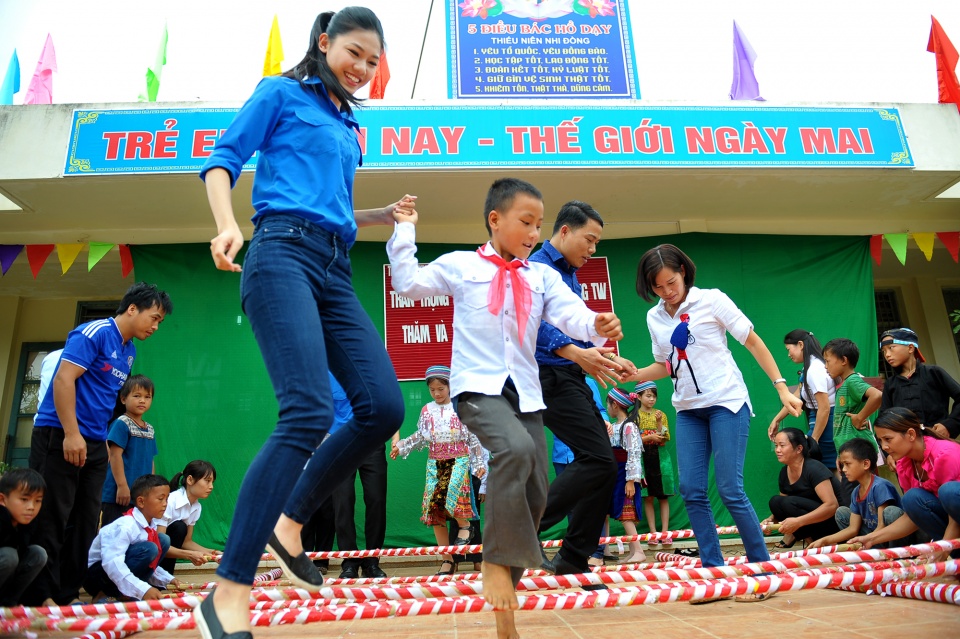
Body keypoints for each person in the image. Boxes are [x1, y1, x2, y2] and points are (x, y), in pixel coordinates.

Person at [195, 9, 409, 639]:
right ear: (325, 43)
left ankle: (290, 523)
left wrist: (382, 213)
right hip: (280, 250)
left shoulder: (350, 124)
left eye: (373, 61)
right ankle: (227, 593)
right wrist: (228, 222)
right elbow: (222, 157)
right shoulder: (281, 92)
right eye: (355, 53)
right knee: (309, 411)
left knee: (383, 407)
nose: (364, 69)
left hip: (334, 265)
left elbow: (332, 204)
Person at [388, 177, 623, 638]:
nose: (535, 233)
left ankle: (505, 621)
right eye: (526, 222)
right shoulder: (461, 266)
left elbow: (570, 315)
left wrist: (596, 323)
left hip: (526, 393)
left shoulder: (541, 276)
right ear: (495, 220)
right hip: (478, 390)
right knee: (514, 451)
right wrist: (405, 230)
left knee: (536, 495)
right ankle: (493, 562)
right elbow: (408, 283)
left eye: (539, 224)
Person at [626, 243, 802, 574]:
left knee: (729, 487)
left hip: (726, 401)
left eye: (672, 283)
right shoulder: (654, 316)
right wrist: (633, 374)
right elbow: (666, 365)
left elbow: (752, 340)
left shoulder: (712, 299)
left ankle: (762, 568)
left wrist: (780, 387)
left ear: (683, 272)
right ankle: (713, 571)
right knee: (692, 489)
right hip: (688, 409)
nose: (668, 292)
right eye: (658, 287)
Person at [25, 281, 172, 606]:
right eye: (154, 317)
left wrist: (93, 440)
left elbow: (106, 399)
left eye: (160, 321)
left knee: (87, 518)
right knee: (53, 515)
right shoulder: (93, 333)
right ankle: (42, 595)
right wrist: (72, 433)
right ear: (132, 308)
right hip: (60, 433)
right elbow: (65, 380)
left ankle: (67, 595)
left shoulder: (129, 351)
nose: (156, 325)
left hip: (94, 441)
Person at [527, 200, 628, 581]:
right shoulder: (537, 267)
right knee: (599, 459)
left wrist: (608, 358)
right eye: (590, 239)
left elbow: (576, 326)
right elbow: (533, 324)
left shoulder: (572, 275)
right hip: (544, 375)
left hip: (568, 376)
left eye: (597, 242)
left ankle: (573, 558)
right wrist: (576, 352)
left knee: (603, 464)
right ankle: (526, 528)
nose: (593, 249)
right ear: (565, 231)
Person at [391, 365, 487, 576]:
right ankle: (447, 560)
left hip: (458, 459)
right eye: (432, 390)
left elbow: (473, 438)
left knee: (446, 496)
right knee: (434, 509)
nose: (436, 393)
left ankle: (465, 526)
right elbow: (421, 436)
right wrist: (402, 445)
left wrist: (480, 464)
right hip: (435, 462)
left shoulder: (462, 407)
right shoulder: (427, 410)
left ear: (450, 386)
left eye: (441, 389)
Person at [851, 408, 960, 553]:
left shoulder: (945, 454)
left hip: (955, 516)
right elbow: (911, 517)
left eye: (888, 439)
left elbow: (955, 513)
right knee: (911, 499)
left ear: (911, 434)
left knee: (948, 492)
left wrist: (941, 552)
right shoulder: (904, 464)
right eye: (880, 441)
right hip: (951, 527)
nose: (884, 447)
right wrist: (871, 538)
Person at [326, 373, 389, 581]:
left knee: (377, 499)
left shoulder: (368, 365)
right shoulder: (326, 371)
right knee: (342, 501)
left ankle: (372, 561)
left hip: (372, 440)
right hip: (340, 443)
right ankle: (349, 562)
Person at [84, 474, 178, 602]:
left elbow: (150, 565)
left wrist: (169, 579)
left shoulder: (149, 527)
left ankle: (124, 593)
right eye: (160, 499)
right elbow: (112, 563)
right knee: (150, 548)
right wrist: (144, 589)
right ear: (141, 502)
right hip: (97, 576)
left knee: (163, 541)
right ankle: (104, 594)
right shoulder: (126, 525)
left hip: (113, 572)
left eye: (167, 499)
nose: (165, 504)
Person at [808, 438, 906, 549]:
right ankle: (868, 552)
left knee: (890, 512)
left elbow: (881, 526)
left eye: (847, 464)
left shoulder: (880, 486)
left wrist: (867, 540)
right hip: (871, 537)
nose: (844, 469)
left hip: (886, 536)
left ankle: (895, 556)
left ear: (865, 464)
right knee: (842, 513)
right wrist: (825, 540)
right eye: (842, 465)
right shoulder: (856, 491)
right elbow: (852, 529)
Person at [768, 330, 837, 473]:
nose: (788, 354)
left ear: (800, 345)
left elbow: (824, 408)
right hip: (819, 420)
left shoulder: (815, 369)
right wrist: (777, 419)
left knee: (830, 467)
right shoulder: (809, 368)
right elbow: (796, 397)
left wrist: (814, 439)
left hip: (827, 422)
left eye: (789, 349)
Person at [762, 428, 842, 547]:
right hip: (813, 519)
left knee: (787, 503)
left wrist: (798, 522)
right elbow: (781, 505)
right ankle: (812, 544)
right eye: (776, 445)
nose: (777, 450)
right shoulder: (784, 472)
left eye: (782, 445)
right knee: (775, 502)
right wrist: (770, 521)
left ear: (799, 449)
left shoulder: (814, 468)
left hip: (835, 523)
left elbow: (832, 506)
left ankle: (825, 543)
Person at [879, 328, 960, 439]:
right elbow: (885, 419)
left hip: (938, 442)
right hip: (906, 448)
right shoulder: (890, 384)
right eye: (884, 351)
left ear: (910, 348)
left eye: (891, 348)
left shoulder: (934, 373)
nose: (887, 355)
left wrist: (949, 425)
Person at [101, 375, 159, 526]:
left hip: (139, 496)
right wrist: (122, 486)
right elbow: (114, 455)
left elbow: (150, 460)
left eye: (147, 397)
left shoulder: (150, 429)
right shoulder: (121, 423)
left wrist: (150, 489)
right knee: (114, 537)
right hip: (119, 494)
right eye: (137, 395)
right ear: (123, 399)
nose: (142, 400)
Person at [603, 387, 646, 564]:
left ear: (615, 404)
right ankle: (633, 551)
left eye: (608, 404)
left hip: (626, 475)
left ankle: (639, 551)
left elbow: (634, 454)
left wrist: (630, 480)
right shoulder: (615, 427)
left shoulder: (629, 427)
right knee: (623, 512)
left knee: (626, 513)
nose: (607, 408)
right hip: (617, 474)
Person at [632, 381, 676, 549]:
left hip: (661, 458)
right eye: (648, 396)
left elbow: (665, 437)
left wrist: (658, 424)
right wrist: (649, 438)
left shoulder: (661, 414)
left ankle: (665, 533)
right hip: (643, 459)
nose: (652, 399)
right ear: (639, 397)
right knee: (647, 496)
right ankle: (652, 533)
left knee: (663, 496)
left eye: (654, 396)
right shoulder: (634, 416)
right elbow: (633, 440)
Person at [157, 460, 217, 576]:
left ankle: (165, 578)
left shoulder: (196, 507)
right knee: (179, 527)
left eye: (212, 482)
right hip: (151, 551)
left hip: (165, 551)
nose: (211, 487)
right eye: (207, 481)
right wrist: (190, 555)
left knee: (180, 528)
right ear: (190, 480)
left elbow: (186, 542)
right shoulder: (170, 501)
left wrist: (213, 553)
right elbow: (159, 544)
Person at [0, 468, 47, 606]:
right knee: (9, 556)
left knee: (38, 554)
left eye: (38, 500)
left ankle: (8, 604)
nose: (31, 507)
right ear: (2, 499)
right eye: (24, 499)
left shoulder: (30, 522)